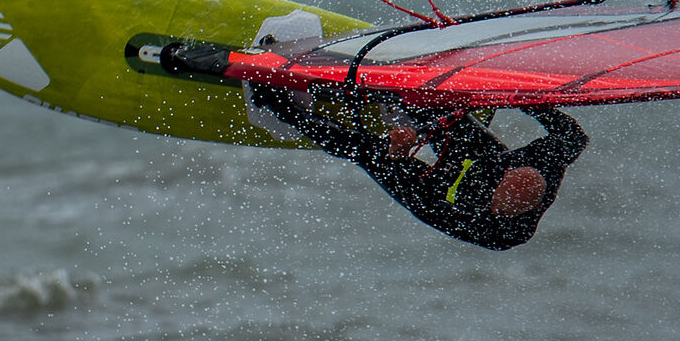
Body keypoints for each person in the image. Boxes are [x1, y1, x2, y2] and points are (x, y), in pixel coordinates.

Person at [248, 80, 589, 250]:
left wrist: (397, 154)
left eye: (500, 190)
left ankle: (279, 107)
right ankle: (378, 90)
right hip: (484, 163)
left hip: (439, 195)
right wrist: (520, 99)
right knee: (438, 110)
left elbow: (420, 195)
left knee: (367, 150)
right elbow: (575, 135)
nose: (504, 179)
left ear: (497, 207)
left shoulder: (491, 228)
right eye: (508, 175)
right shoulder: (544, 162)